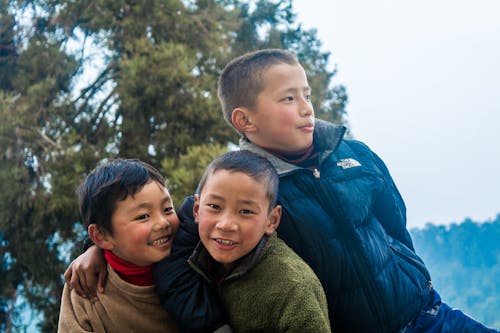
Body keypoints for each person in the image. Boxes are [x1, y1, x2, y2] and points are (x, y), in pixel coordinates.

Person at [65, 49, 499, 333]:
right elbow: (172, 232)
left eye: (305, 94)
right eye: (288, 98)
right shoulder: (241, 187)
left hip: (426, 314)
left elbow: (394, 222)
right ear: (245, 121)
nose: (306, 106)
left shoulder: (356, 154)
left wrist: (415, 276)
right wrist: (97, 248)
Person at [175, 150, 330, 332]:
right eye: (214, 206)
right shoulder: (189, 258)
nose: (226, 225)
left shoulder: (294, 288)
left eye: (246, 211)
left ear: (271, 220)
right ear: (196, 209)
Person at [57, 158, 181, 333]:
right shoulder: (84, 287)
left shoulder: (194, 261)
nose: (163, 223)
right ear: (101, 236)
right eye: (143, 216)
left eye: (168, 209)